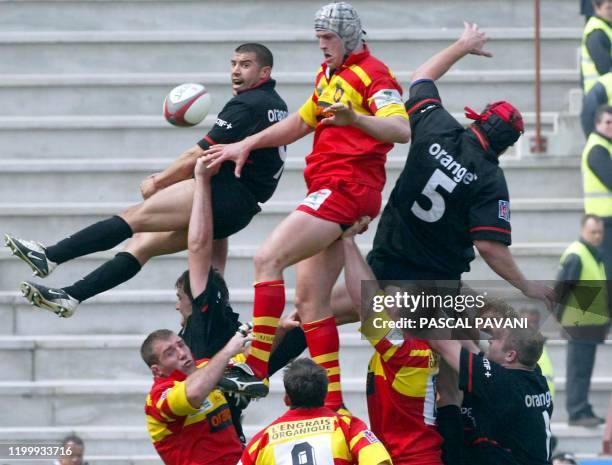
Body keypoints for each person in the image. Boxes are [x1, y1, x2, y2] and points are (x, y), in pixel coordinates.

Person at [329, 21, 552, 465]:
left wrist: (463, 45)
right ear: (506, 146)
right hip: (432, 283)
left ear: (478, 119)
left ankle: (263, 358)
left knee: (318, 314)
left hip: (389, 258)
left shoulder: (437, 129)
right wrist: (525, 288)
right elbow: (490, 248)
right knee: (448, 367)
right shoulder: (491, 180)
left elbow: (420, 78)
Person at [202, 1, 410, 411]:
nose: (321, 46)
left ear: (349, 36)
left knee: (267, 258)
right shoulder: (329, 75)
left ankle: (255, 365)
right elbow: (301, 121)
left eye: (328, 38)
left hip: (346, 185)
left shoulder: (374, 74)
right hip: (332, 186)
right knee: (311, 303)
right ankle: (333, 405)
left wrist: (357, 120)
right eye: (318, 38)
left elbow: (401, 129)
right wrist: (247, 142)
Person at [5, 42, 288, 318]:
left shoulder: (248, 104)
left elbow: (196, 154)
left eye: (246, 65)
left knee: (133, 217)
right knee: (144, 244)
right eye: (234, 64)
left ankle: (50, 255)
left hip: (226, 194)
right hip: (240, 210)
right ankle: (71, 296)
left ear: (264, 73)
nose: (236, 71)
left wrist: (160, 182)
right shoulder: (274, 104)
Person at [339, 220, 444, 465]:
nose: (384, 299)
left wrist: (347, 241)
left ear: (406, 314)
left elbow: (365, 305)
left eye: (392, 299)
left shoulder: (404, 353)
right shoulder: (412, 346)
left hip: (412, 460)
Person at [429, 325, 553, 465]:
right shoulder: (535, 375)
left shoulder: (501, 382)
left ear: (510, 355)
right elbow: (473, 351)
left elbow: (440, 343)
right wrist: (455, 323)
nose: (490, 340)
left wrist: (426, 310)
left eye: (497, 339)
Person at [238, 358, 392, 465]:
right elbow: (378, 461)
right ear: (325, 394)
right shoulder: (348, 427)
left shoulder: (262, 440)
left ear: (287, 399)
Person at [141, 328, 250, 465]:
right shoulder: (158, 396)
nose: (182, 354)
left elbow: (250, 358)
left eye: (181, 345)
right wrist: (228, 350)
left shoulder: (206, 366)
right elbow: (193, 394)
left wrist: (279, 328)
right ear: (157, 370)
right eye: (170, 353)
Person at [555, 214, 610, 426]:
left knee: (584, 370)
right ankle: (576, 412)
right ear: (582, 231)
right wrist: (560, 318)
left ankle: (583, 408)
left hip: (590, 325)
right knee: (578, 371)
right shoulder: (577, 255)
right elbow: (561, 289)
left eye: (600, 232)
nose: (597, 236)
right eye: (593, 232)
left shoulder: (594, 254)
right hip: (578, 324)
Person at [581, 105, 612, 279]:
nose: (611, 126)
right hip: (604, 223)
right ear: (597, 124)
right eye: (608, 122)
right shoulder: (597, 149)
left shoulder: (605, 146)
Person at [581, 0, 612, 94]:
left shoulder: (606, 27)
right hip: (599, 96)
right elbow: (605, 68)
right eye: (608, 8)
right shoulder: (596, 33)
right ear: (597, 8)